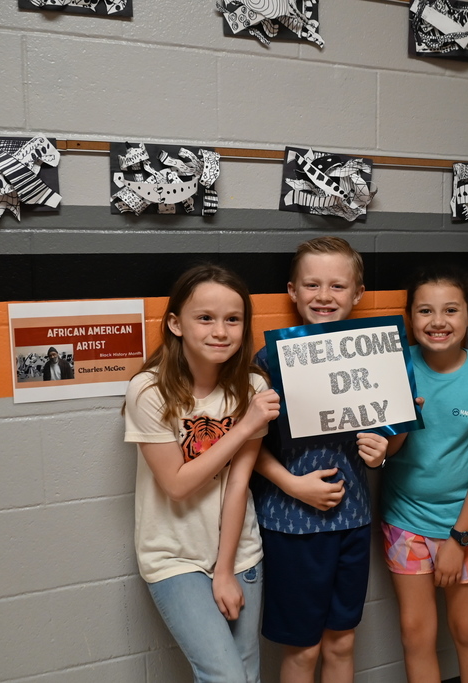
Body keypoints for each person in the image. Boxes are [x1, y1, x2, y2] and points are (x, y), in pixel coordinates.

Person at [123, 264, 280, 683]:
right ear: (176, 323)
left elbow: (238, 483)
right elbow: (177, 484)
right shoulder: (148, 390)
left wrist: (226, 568)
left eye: (233, 319)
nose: (220, 331)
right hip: (174, 557)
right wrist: (244, 426)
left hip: (240, 551)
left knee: (247, 675)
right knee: (224, 677)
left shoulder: (253, 388)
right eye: (205, 318)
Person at [252, 237, 390, 683]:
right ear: (292, 291)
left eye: (336, 286)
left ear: (357, 293)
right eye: (312, 285)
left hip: (351, 521)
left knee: (342, 641)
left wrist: (384, 449)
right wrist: (291, 484)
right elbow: (243, 446)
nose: (324, 296)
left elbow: (386, 438)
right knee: (303, 648)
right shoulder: (267, 361)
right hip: (292, 524)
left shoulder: (376, 356)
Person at [380, 265, 468, 683]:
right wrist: (403, 417)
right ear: (410, 318)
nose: (438, 322)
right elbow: (385, 453)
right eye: (425, 312)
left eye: (450, 310)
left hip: (462, 526)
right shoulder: (396, 368)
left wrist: (460, 538)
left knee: (467, 629)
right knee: (416, 634)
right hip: (405, 521)